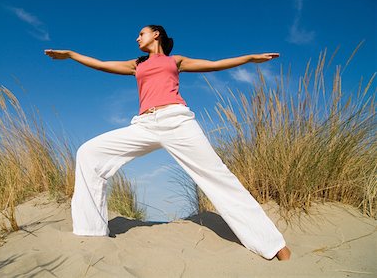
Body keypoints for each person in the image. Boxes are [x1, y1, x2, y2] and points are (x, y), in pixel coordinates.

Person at [44, 24, 291, 261]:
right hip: (144, 125)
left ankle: (273, 244)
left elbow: (214, 65)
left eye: (141, 33)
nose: (137, 38)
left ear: (156, 34)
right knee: (89, 153)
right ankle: (91, 232)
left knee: (219, 177)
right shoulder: (137, 64)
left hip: (178, 122)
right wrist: (71, 55)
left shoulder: (176, 61)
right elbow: (102, 64)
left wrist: (249, 59)